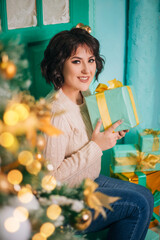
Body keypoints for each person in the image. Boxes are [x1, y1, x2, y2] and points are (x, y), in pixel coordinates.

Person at [41, 26, 154, 240]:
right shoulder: (55, 112)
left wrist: (111, 133)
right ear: (59, 65)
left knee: (145, 196)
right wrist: (97, 146)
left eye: (91, 60)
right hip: (63, 204)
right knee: (138, 205)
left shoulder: (85, 95)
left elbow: (89, 138)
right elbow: (49, 182)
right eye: (76, 61)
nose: (87, 70)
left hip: (88, 181)